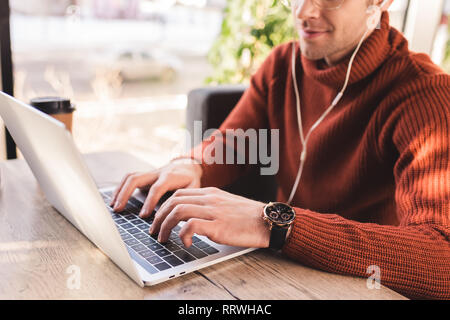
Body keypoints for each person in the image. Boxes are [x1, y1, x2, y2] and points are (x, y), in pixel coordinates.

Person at [110, 0, 449, 299]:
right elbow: (235, 142)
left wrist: (275, 224)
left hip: (360, 287)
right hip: (284, 270)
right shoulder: (283, 63)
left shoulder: (425, 94)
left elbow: (442, 259)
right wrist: (194, 165)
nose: (303, 12)